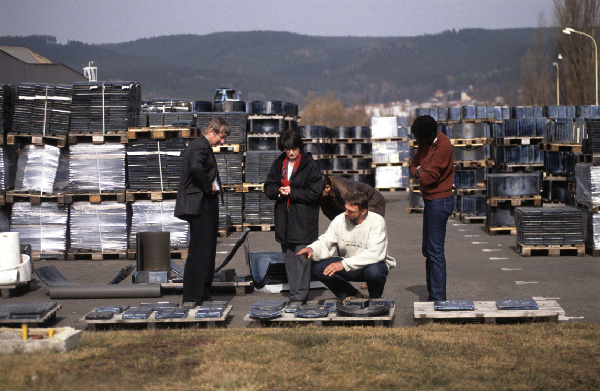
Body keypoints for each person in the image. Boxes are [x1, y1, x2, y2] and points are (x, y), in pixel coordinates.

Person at [298, 192, 396, 304]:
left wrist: (343, 264)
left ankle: (375, 300)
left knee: (375, 272)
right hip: (348, 264)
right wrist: (312, 249)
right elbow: (326, 240)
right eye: (346, 209)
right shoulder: (339, 220)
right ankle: (349, 294)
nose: (346, 213)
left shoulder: (377, 221)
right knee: (317, 267)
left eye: (351, 211)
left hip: (370, 265)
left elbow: (375, 253)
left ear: (363, 211)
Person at [174, 117, 231, 305]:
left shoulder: (199, 145)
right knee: (201, 250)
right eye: (221, 137)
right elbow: (196, 168)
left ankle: (200, 293)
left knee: (203, 250)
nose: (222, 142)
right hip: (201, 204)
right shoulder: (201, 146)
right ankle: (196, 295)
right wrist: (209, 187)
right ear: (212, 131)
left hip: (201, 203)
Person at [264, 130, 323, 304]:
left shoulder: (310, 165)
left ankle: (301, 296)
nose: (290, 152)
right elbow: (268, 186)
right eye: (287, 148)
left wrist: (293, 192)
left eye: (293, 148)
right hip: (284, 220)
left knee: (303, 260)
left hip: (303, 221)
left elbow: (315, 192)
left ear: (300, 147)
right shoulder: (278, 163)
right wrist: (278, 191)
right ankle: (294, 294)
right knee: (289, 260)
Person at [408, 114, 454, 301]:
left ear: (430, 134)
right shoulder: (424, 141)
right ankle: (433, 294)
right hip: (430, 200)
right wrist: (419, 170)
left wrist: (419, 171)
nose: (418, 142)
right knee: (427, 250)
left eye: (420, 139)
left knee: (435, 251)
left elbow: (428, 178)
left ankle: (437, 299)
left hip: (440, 201)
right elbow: (412, 164)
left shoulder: (443, 146)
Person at [320, 174, 386, 220]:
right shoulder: (322, 192)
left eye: (317, 192)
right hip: (347, 201)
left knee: (366, 226)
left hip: (372, 201)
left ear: (327, 188)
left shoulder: (345, 191)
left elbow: (356, 210)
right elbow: (329, 212)